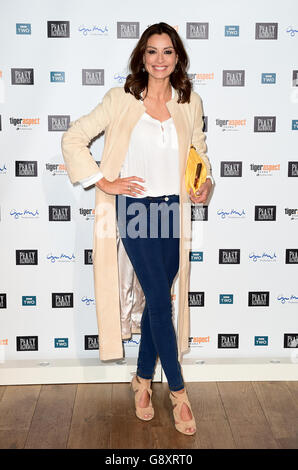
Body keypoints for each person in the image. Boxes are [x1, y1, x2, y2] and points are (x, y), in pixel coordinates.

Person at [61, 22, 214, 436]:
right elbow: (73, 138)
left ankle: (142, 380)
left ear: (177, 57)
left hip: (171, 211)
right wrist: (102, 181)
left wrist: (205, 183)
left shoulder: (190, 101)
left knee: (159, 299)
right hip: (131, 209)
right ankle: (179, 393)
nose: (159, 60)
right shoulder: (121, 99)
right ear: (141, 57)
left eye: (167, 52)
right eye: (152, 51)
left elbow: (198, 151)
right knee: (161, 305)